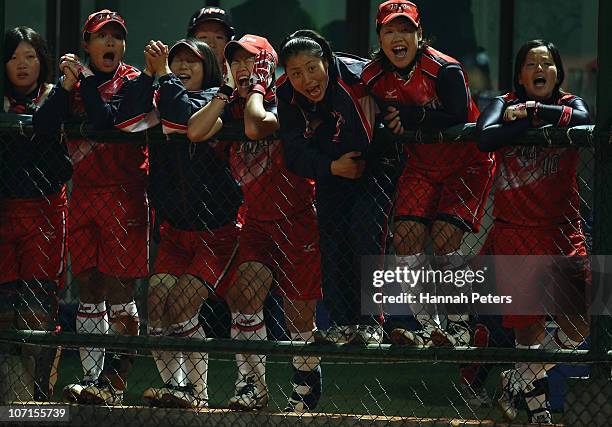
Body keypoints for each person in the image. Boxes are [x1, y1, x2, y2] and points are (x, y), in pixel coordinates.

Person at [188, 34, 323, 413]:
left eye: (250, 61)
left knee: (299, 314)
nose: (242, 68)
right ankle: (252, 384)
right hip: (257, 222)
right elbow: (196, 132)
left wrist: (261, 86)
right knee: (245, 293)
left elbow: (254, 126)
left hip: (297, 217)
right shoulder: (230, 104)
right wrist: (226, 92)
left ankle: (306, 380)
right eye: (235, 63)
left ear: (266, 62)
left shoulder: (287, 97)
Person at [115, 37, 242, 409]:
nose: (183, 67)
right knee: (157, 303)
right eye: (177, 60)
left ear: (209, 69)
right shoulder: (166, 93)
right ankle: (177, 388)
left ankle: (194, 393)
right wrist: (148, 77)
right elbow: (125, 119)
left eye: (193, 61)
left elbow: (182, 119)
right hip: (174, 232)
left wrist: (166, 75)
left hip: (215, 232)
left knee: (183, 304)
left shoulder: (215, 102)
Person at [361, 0, 495, 348]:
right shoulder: (373, 75)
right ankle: (425, 325)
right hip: (421, 164)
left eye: (406, 29)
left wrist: (409, 116)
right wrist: (384, 120)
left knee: (445, 239)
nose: (398, 37)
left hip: (466, 164)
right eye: (390, 30)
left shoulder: (445, 69)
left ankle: (459, 325)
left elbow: (456, 117)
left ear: (419, 36)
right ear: (380, 37)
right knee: (405, 237)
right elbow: (370, 111)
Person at [33, 10, 147, 405]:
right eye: (102, 37)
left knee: (120, 287)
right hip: (82, 194)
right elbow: (43, 125)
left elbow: (105, 125)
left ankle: (115, 383)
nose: (111, 43)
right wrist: (65, 86)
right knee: (88, 286)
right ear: (87, 44)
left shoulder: (133, 81)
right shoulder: (74, 84)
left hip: (124, 193)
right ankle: (92, 380)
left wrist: (81, 83)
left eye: (117, 36)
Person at [477, 39, 591, 424]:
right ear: (520, 74)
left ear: (558, 72)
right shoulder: (501, 102)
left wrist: (537, 111)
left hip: (562, 230)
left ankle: (519, 377)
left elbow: (584, 121)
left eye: (547, 64)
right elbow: (486, 135)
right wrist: (528, 118)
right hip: (516, 233)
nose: (539, 69)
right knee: (529, 329)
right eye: (531, 64)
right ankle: (539, 414)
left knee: (579, 322)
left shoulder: (571, 103)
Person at [277, 30, 391, 346]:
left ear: (326, 61)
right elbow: (294, 153)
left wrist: (318, 137)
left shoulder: (358, 78)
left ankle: (372, 323)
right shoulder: (285, 93)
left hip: (375, 166)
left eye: (312, 68)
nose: (306, 79)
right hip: (331, 169)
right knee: (331, 238)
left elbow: (362, 139)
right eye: (296, 73)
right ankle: (342, 323)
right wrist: (330, 165)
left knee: (365, 232)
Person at [0, 26, 71, 402]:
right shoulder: (3, 102)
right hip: (5, 214)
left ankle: (42, 400)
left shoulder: (58, 98)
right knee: (5, 313)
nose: (22, 64)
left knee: (38, 314)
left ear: (42, 60)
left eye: (30, 56)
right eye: (14, 57)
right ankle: (13, 402)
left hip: (45, 213)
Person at [186, 6, 235, 73]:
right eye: (203, 37)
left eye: (219, 37)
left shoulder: (240, 80)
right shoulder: (178, 80)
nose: (211, 44)